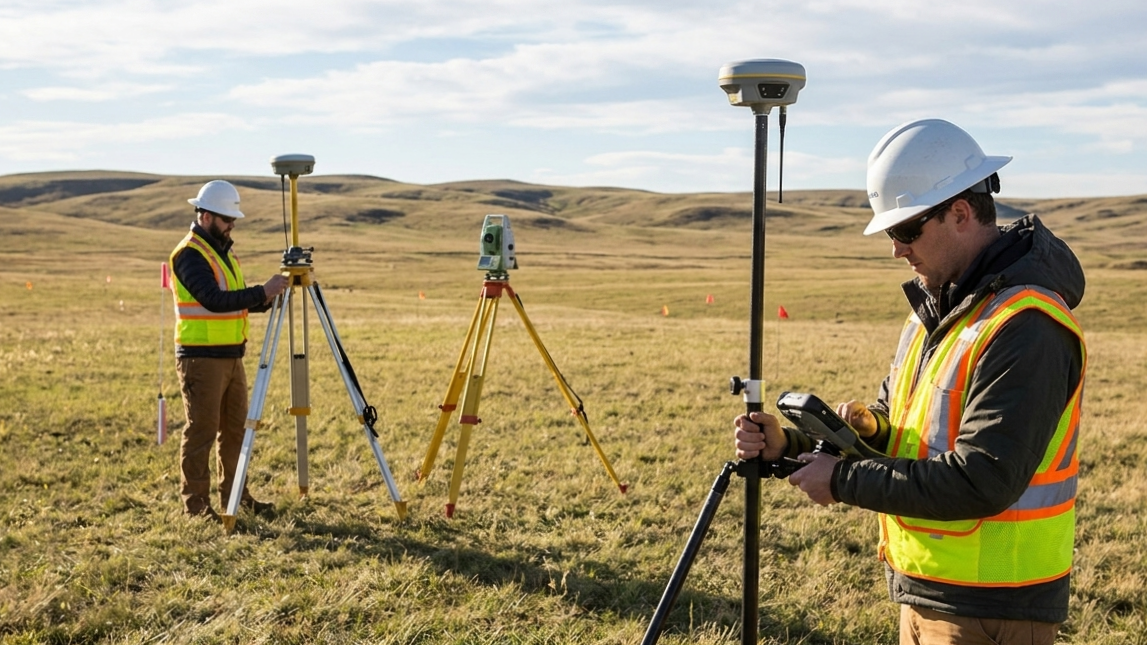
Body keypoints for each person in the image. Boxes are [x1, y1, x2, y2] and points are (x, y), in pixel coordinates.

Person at [734, 119, 1086, 645]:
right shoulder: (937, 313)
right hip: (927, 592)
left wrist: (841, 481)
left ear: (960, 213)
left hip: (992, 609)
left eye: (905, 231)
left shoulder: (1025, 326)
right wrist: (794, 444)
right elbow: (905, 434)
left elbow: (982, 480)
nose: (896, 250)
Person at [170, 180, 289, 521]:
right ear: (206, 216)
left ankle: (237, 498)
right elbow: (213, 300)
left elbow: (235, 300)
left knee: (236, 430)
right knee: (202, 432)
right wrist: (261, 291)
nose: (231, 225)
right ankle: (196, 506)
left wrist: (267, 298)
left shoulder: (223, 252)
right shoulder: (190, 254)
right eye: (226, 219)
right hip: (201, 359)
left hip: (232, 357)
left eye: (233, 219)